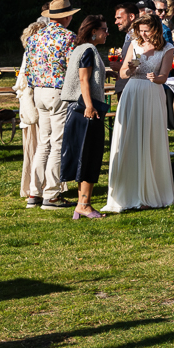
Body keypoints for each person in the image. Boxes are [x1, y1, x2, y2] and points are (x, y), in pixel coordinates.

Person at [104, 14, 174, 213]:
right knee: (130, 137)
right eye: (141, 30)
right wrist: (129, 69)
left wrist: (157, 78)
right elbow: (122, 74)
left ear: (156, 29)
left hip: (153, 93)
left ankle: (151, 191)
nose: (143, 34)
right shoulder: (134, 44)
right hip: (133, 91)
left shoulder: (167, 48)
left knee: (151, 138)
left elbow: (165, 75)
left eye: (147, 30)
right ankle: (128, 190)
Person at [26, 0, 81, 210]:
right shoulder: (68, 37)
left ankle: (35, 192)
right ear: (66, 17)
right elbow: (73, 67)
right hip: (58, 91)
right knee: (58, 143)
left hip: (39, 91)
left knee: (43, 143)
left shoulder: (35, 37)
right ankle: (51, 194)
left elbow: (29, 68)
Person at [60, 14, 109, 219]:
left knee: (82, 157)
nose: (107, 33)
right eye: (104, 29)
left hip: (76, 109)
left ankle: (82, 204)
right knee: (89, 156)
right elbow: (83, 79)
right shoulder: (89, 50)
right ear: (93, 32)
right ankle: (84, 204)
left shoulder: (79, 49)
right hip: (86, 110)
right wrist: (89, 106)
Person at [16, 15, 51, 207]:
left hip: (35, 104)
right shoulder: (33, 53)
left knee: (40, 147)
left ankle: (38, 188)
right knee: (42, 146)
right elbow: (25, 83)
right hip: (36, 107)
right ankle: (40, 187)